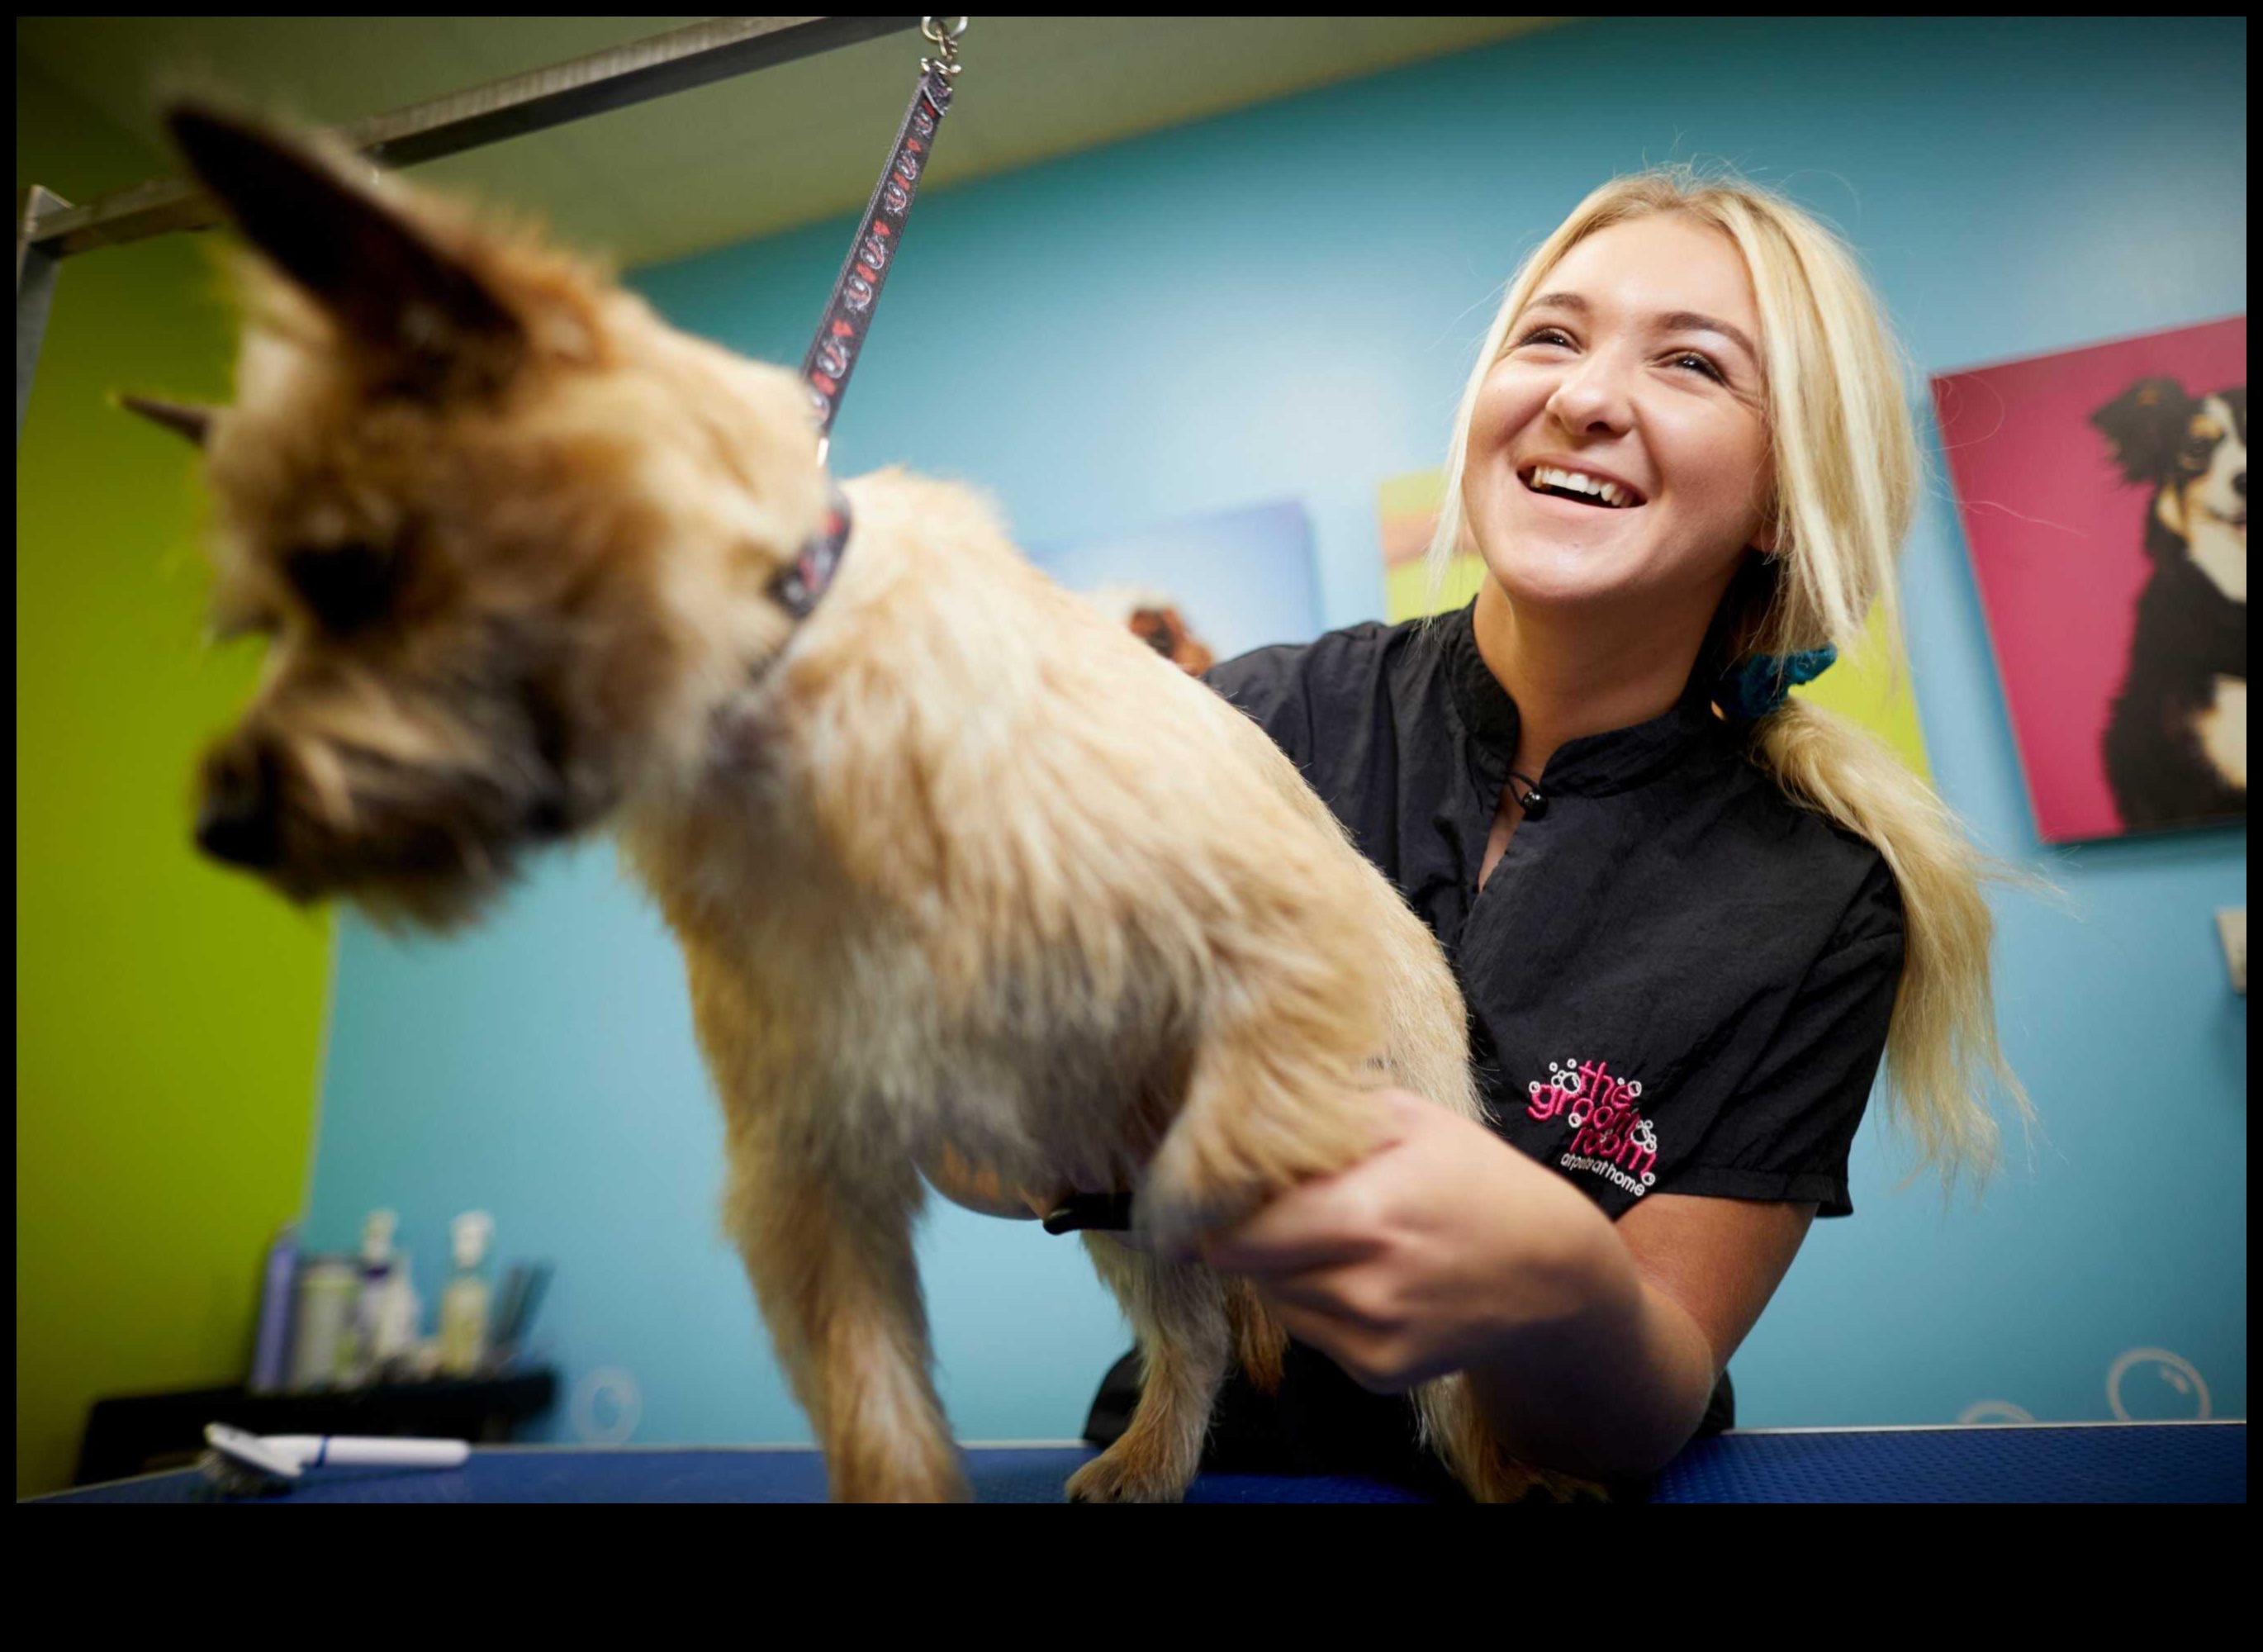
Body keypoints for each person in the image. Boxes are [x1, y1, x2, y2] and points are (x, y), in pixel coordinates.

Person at [966, 165, 2038, 1501]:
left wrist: (1563, 1280)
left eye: (1693, 365)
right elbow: (975, 1141)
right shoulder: (1249, 721)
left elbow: (1643, 1394)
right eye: (1551, 336)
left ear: (1782, 498)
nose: (1585, 397)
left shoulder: (1821, 895)